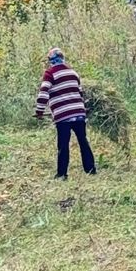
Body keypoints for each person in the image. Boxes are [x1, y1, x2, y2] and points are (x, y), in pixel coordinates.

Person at [34, 48, 97, 180]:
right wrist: (83, 108)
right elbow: (80, 93)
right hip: (79, 112)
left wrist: (39, 111)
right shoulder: (73, 73)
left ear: (51, 60)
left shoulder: (50, 73)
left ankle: (62, 174)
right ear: (63, 58)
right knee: (83, 141)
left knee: (63, 145)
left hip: (63, 116)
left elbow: (43, 93)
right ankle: (90, 169)